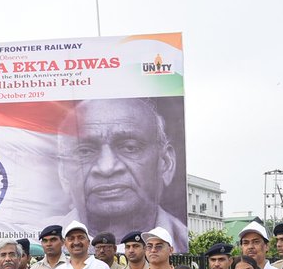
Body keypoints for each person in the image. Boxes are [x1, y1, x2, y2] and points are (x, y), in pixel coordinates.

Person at [56, 97, 189, 252]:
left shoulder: (185, 241)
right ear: (63, 172)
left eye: (130, 147)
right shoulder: (41, 243)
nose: (107, 168)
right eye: (84, 151)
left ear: (166, 162)